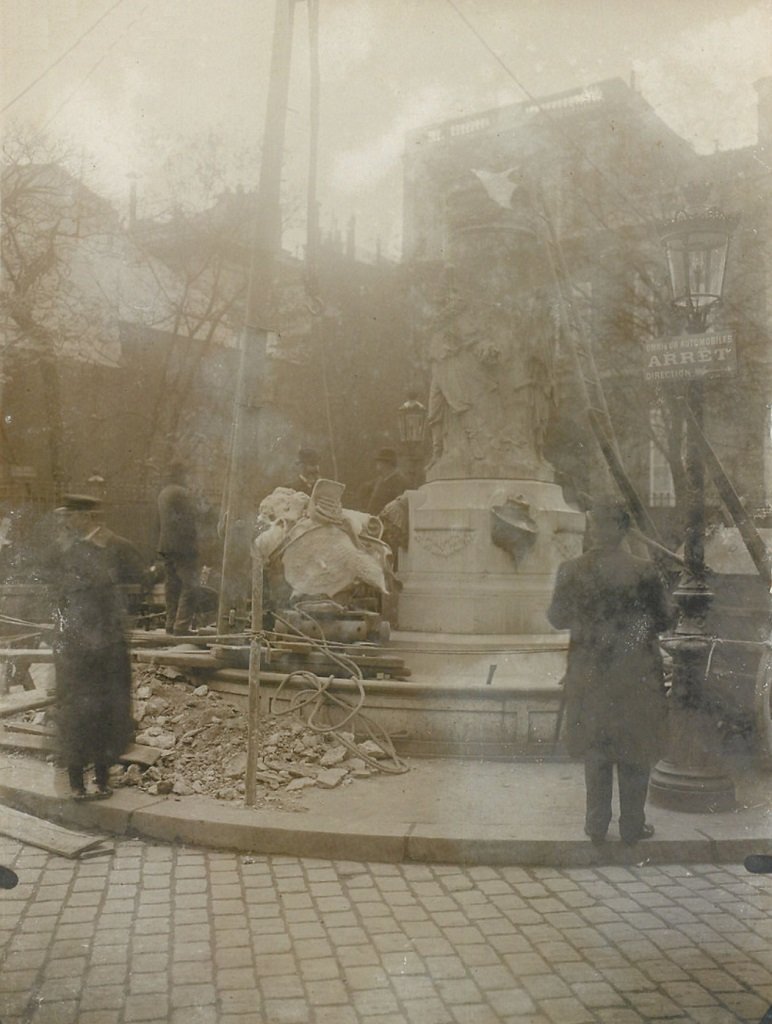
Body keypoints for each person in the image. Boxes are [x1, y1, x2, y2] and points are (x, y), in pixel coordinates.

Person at [547, 497, 673, 846]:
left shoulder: (570, 569)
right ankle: (633, 825)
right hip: (636, 672)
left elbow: (556, 618)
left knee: (596, 746)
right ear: (624, 529)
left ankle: (596, 825)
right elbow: (664, 619)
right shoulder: (644, 570)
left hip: (590, 672)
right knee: (636, 747)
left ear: (594, 528)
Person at [43, 494, 134, 800]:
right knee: (76, 714)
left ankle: (100, 778)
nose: (66, 522)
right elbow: (59, 600)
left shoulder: (108, 547)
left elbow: (115, 598)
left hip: (101, 646)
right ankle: (77, 782)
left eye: (70, 517)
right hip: (75, 650)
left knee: (102, 712)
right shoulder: (65, 550)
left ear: (85, 517)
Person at [157, 463, 200, 635]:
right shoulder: (182, 493)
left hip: (166, 546)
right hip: (184, 547)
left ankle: (170, 623)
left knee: (172, 586)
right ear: (181, 475)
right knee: (191, 586)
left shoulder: (164, 493)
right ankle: (181, 626)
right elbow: (197, 514)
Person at [362, 448, 408, 517]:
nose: (377, 464)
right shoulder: (380, 479)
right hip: (373, 520)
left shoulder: (400, 481)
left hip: (388, 522)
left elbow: (399, 508)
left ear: (388, 463)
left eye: (380, 461)